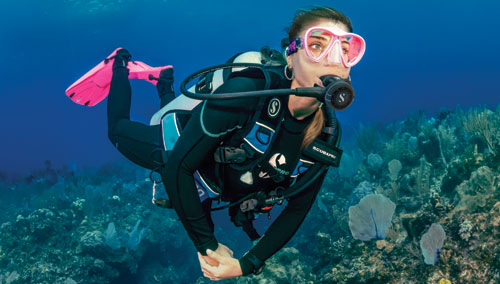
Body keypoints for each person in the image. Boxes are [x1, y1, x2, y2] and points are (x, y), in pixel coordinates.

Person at [106, 6, 365, 281]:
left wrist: (247, 264)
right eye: (317, 45)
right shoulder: (246, 92)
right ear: (291, 56)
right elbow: (177, 168)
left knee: (168, 118)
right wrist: (207, 245)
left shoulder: (327, 134)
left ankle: (163, 80)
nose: (333, 60)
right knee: (118, 131)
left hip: (218, 178)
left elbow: (297, 208)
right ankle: (119, 65)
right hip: (182, 150)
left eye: (346, 50)